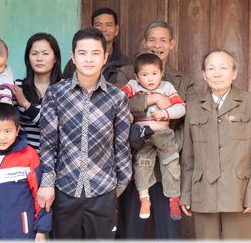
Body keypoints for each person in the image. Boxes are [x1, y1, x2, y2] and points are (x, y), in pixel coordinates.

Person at [37, 27, 132, 239]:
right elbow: (48, 143)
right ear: (73, 57)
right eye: (82, 53)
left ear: (105, 57)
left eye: (96, 53)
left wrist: (119, 184)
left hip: (104, 190)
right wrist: (47, 183)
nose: (89, 59)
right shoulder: (55, 94)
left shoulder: (117, 98)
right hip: (64, 189)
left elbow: (122, 145)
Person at [115, 20, 195, 239]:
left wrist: (171, 144)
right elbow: (116, 105)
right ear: (144, 42)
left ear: (172, 44)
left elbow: (188, 118)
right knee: (133, 232)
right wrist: (153, 98)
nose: (157, 45)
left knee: (169, 233)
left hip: (168, 164)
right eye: (152, 39)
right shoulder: (126, 73)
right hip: (134, 161)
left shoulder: (182, 80)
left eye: (163, 40)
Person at [180, 49, 251, 239]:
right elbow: (188, 156)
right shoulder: (193, 106)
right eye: (211, 68)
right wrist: (186, 194)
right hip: (203, 191)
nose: (217, 73)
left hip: (240, 194)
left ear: (234, 73)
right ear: (204, 74)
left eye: (223, 68)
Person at [0, 103, 52, 241]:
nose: (1, 137)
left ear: (17, 130)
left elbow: (38, 195)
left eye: (7, 131)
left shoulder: (29, 155)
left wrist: (41, 229)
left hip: (20, 234)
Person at [121, 53, 186, 220]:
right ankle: (145, 200)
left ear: (161, 73)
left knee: (171, 163)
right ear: (136, 76)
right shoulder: (133, 85)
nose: (150, 79)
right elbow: (118, 98)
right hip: (143, 135)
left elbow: (181, 108)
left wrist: (165, 113)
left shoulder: (167, 87)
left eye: (154, 74)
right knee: (142, 165)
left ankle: (173, 200)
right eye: (144, 74)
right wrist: (127, 110)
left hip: (163, 133)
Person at [12, 33, 63, 151]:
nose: (39, 58)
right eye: (34, 53)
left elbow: (54, 127)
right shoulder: (18, 86)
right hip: (23, 159)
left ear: (55, 58)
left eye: (45, 53)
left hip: (54, 160)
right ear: (28, 58)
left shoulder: (65, 88)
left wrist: (25, 103)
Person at [63, 7, 133, 84]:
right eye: (98, 25)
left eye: (109, 25)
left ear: (116, 30)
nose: (103, 29)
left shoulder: (128, 64)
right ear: (92, 28)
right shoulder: (76, 62)